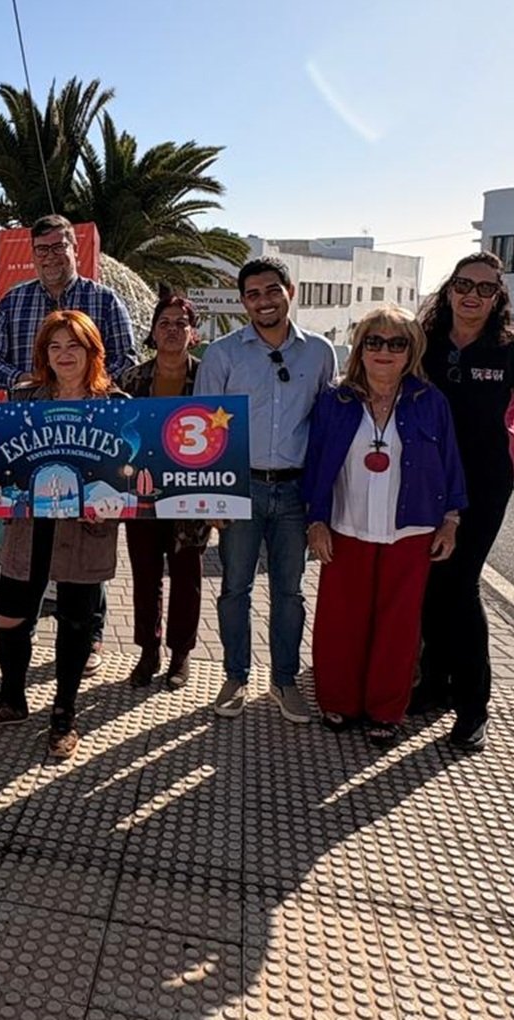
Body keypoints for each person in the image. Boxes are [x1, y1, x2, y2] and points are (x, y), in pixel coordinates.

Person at [412, 252, 514, 751]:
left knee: (459, 585)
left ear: (499, 297)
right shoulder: (426, 342)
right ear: (449, 289)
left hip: (481, 490)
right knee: (430, 584)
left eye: (485, 288)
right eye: (463, 284)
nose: (472, 295)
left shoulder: (513, 350)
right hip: (426, 482)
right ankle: (434, 685)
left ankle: (474, 705)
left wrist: (507, 468)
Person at [0, 310, 127, 760]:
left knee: (76, 622)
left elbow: (129, 475)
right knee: (10, 615)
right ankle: (13, 697)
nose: (64, 355)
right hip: (29, 524)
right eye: (54, 347)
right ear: (43, 354)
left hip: (86, 528)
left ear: (92, 350)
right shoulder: (24, 399)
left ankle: (64, 713)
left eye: (73, 345)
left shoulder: (115, 403)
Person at [302, 307, 466, 747]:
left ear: (411, 350)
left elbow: (450, 464)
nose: (385, 351)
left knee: (398, 626)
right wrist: (315, 521)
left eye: (397, 343)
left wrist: (451, 520)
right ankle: (339, 700)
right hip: (346, 528)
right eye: (375, 342)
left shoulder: (429, 402)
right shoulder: (335, 401)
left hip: (409, 532)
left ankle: (386, 710)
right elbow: (316, 465)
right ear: (360, 349)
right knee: (342, 621)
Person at [0, 213, 138, 675]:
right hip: (29, 443)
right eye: (41, 249)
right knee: (27, 539)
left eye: (58, 247)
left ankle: (87, 637)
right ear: (31, 254)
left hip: (89, 440)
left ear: (76, 248)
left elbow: (126, 361)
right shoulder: (14, 301)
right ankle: (17, 637)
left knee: (86, 538)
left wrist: (83, 386)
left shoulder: (103, 300)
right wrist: (31, 381)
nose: (50, 256)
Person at [195, 256, 337, 723]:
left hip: (295, 492)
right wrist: (211, 496)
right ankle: (235, 676)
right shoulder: (222, 354)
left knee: (289, 592)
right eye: (253, 294)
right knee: (234, 588)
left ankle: (284, 680)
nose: (263, 301)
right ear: (243, 302)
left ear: (290, 292)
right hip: (241, 487)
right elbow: (202, 429)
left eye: (272, 290)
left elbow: (325, 425)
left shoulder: (319, 352)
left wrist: (323, 503)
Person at [119, 293, 210, 689]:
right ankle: (148, 650)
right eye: (165, 323)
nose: (172, 330)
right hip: (141, 493)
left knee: (187, 574)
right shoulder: (132, 380)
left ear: (193, 334)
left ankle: (180, 654)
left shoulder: (209, 379)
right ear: (153, 332)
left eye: (181, 323)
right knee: (145, 573)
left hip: (193, 494)